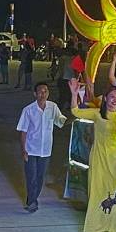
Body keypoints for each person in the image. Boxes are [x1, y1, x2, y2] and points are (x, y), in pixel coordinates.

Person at [68, 79, 116, 232]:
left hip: (115, 158)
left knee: (114, 191)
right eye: (112, 97)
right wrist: (74, 93)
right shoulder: (97, 113)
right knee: (98, 191)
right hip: (98, 157)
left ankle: (112, 229)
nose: (115, 99)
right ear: (105, 98)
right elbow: (75, 111)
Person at [16, 82, 68, 212]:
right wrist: (23, 150)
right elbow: (23, 131)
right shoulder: (28, 110)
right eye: (40, 91)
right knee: (31, 176)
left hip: (45, 149)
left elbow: (60, 121)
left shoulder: (53, 107)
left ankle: (32, 198)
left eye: (45, 91)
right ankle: (32, 202)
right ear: (35, 94)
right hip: (31, 149)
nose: (43, 94)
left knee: (40, 177)